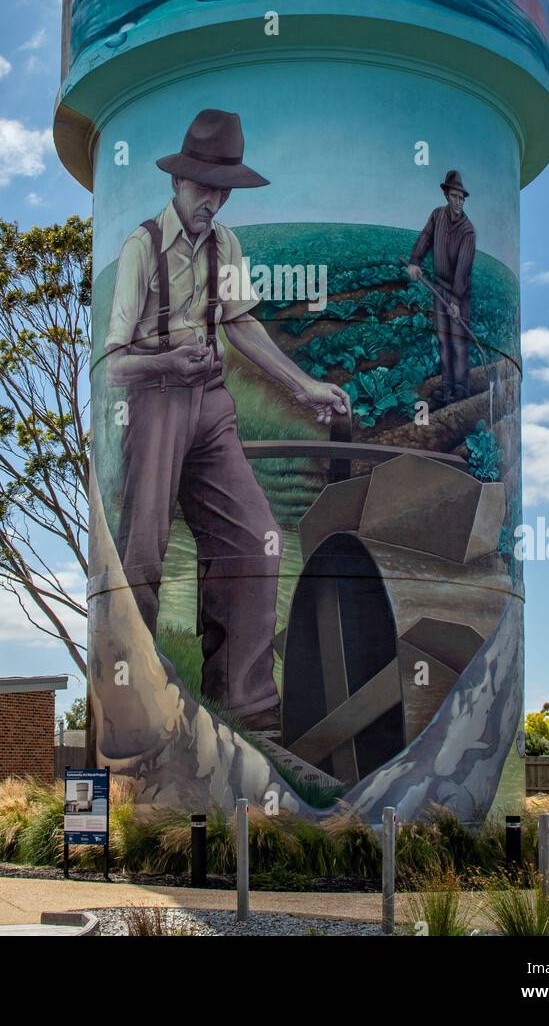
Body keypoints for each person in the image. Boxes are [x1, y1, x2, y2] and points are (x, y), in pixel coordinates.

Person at [105, 108, 349, 731]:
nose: (213, 200)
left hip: (211, 405)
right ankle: (135, 699)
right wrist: (165, 358)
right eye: (204, 185)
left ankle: (242, 699)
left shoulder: (227, 246)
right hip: (154, 402)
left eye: (223, 189)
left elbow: (239, 322)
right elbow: (112, 365)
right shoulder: (142, 247)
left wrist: (306, 387)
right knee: (141, 554)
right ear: (177, 182)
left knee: (255, 538)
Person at [408, 170, 476, 404]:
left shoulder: (468, 230)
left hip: (459, 293)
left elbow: (463, 268)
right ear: (447, 195)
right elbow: (426, 238)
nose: (458, 201)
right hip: (439, 289)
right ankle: (447, 386)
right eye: (455, 196)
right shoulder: (437, 216)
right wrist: (415, 261)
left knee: (458, 342)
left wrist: (456, 301)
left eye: (462, 198)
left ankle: (461, 389)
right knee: (444, 340)